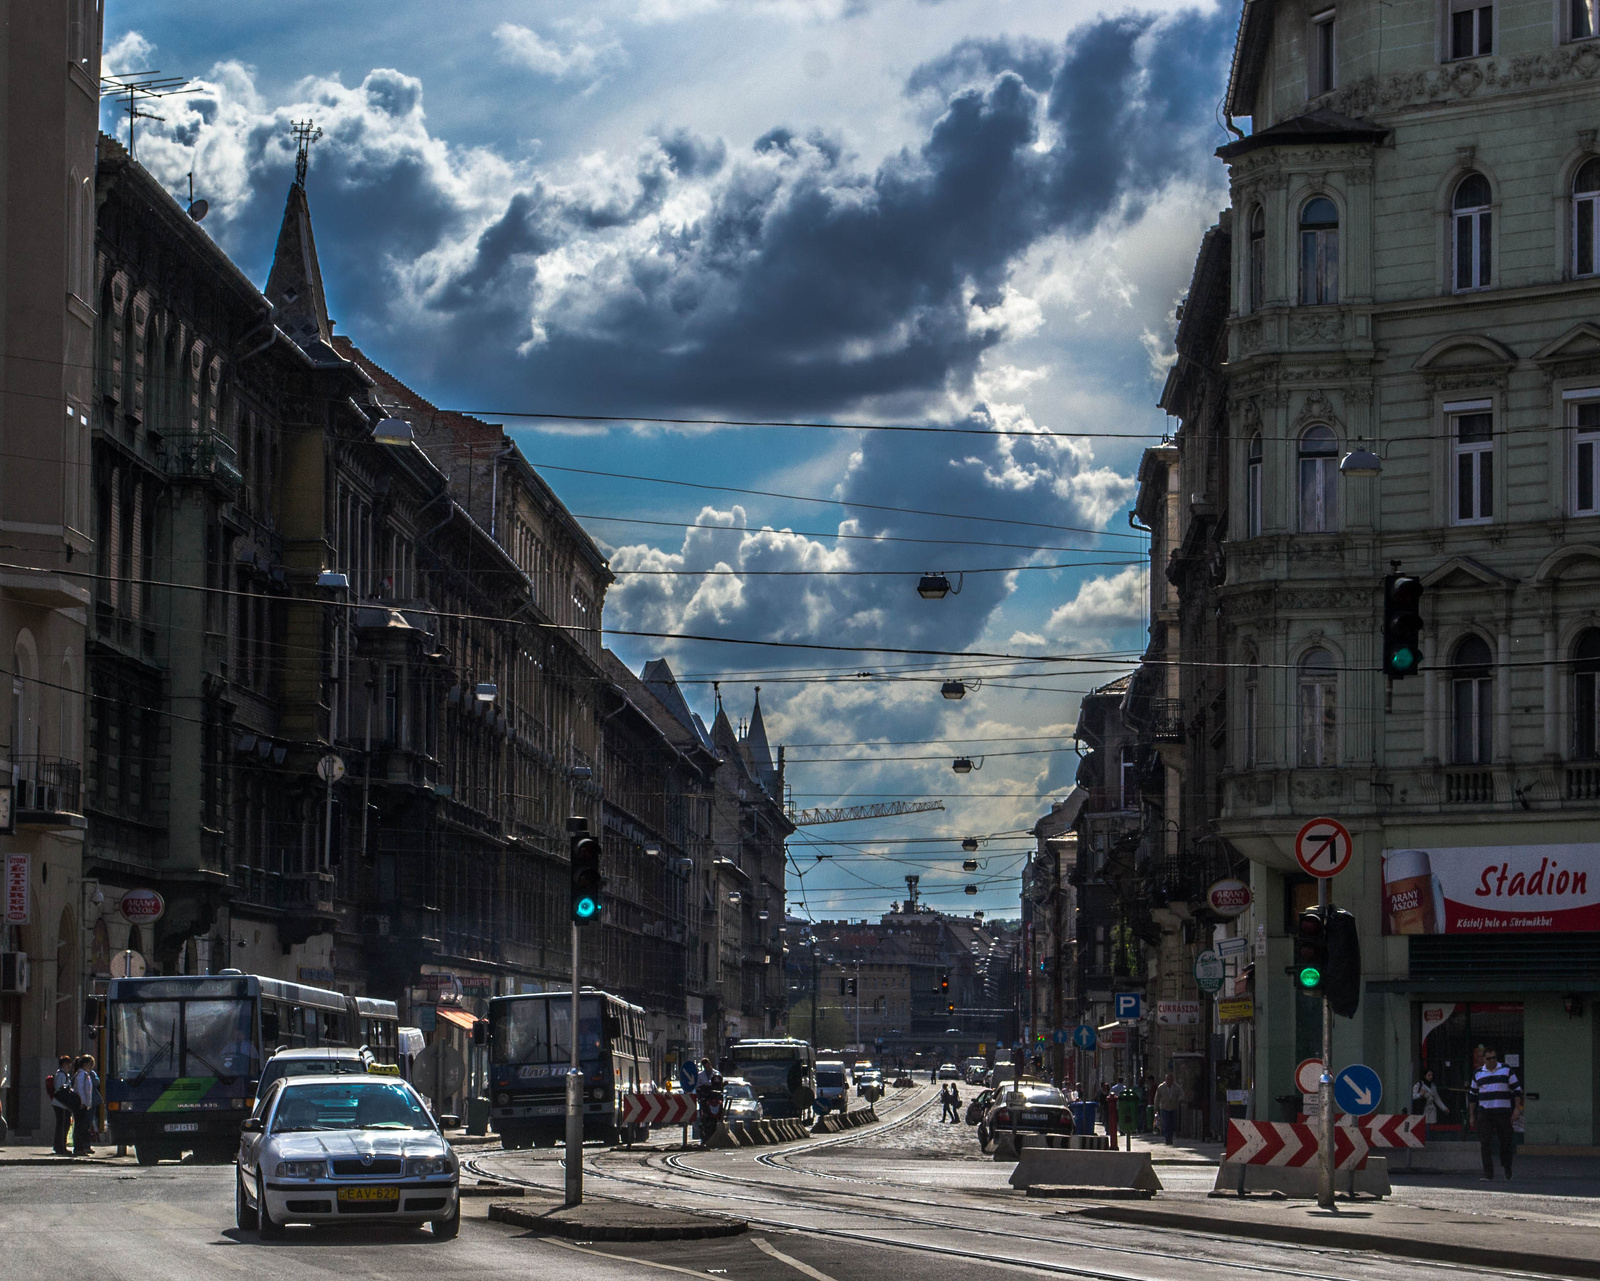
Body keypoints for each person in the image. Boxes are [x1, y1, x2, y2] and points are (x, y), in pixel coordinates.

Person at [1470, 1045, 1522, 1180]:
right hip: (1485, 1112)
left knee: (1505, 1141)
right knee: (1485, 1142)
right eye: (1489, 1058)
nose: (1492, 1060)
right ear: (1484, 1059)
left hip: (1503, 1111)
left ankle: (1507, 1166)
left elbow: (1516, 1090)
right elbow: (1472, 1096)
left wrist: (1517, 1109)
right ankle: (1488, 1173)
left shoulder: (1506, 1070)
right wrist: (1471, 1115)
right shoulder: (1478, 1073)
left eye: (1494, 1058)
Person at [48, 1055, 74, 1156]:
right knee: (63, 1126)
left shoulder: (65, 1075)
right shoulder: (61, 1075)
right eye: (67, 1063)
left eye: (70, 1063)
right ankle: (60, 1147)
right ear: (62, 1064)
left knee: (64, 1125)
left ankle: (60, 1146)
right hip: (61, 1105)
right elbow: (59, 1090)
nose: (69, 1065)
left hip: (63, 1105)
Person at [72, 1055, 97, 1155]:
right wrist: (82, 1102)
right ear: (85, 1064)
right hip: (81, 1104)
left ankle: (81, 1147)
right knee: (80, 1126)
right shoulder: (81, 1075)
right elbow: (80, 1089)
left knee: (83, 1126)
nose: (91, 1067)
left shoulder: (84, 1074)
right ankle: (78, 1148)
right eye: (90, 1064)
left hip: (85, 1104)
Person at [1412, 1069, 1449, 1135]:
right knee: (1423, 1126)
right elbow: (1412, 1096)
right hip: (1422, 1108)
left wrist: (1444, 1108)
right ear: (1425, 1076)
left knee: (1429, 1127)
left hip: (1431, 1108)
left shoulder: (1433, 1086)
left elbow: (1437, 1098)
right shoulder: (1419, 1085)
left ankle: (1429, 1139)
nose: (1430, 1077)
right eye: (1428, 1075)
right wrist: (1420, 1095)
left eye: (1431, 1075)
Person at [1154, 1071, 1183, 1145]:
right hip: (1164, 1108)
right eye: (1168, 1079)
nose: (1170, 1081)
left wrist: (1180, 1099)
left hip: (1174, 1107)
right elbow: (1157, 1098)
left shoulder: (1177, 1087)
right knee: (1166, 1123)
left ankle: (1171, 1137)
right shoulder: (1161, 1087)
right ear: (1166, 1080)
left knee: (1173, 1124)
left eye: (1171, 1080)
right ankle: (1167, 1138)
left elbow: (1181, 1094)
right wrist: (1156, 1108)